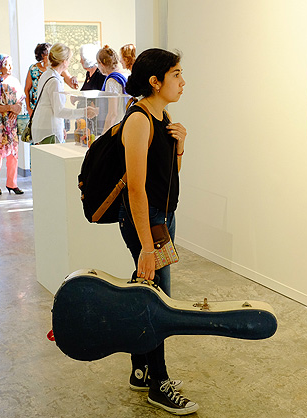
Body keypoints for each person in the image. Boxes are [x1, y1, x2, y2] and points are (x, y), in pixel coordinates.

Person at [117, 48, 196, 415]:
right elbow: (136, 188)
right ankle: (158, 383)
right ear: (155, 81)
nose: (182, 81)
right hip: (146, 221)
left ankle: (141, 368)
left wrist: (179, 146)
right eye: (176, 74)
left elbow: (167, 177)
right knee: (157, 299)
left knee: (146, 293)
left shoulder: (163, 116)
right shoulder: (139, 119)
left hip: (163, 217)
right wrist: (147, 245)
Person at [31, 43, 97, 144]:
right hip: (49, 131)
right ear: (64, 61)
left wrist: (61, 127)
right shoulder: (54, 81)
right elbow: (59, 111)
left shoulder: (47, 75)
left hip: (43, 128)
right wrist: (84, 112)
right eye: (69, 59)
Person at [0, 55, 24, 195]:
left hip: (11, 123)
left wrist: (17, 108)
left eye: (11, 64)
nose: (10, 67)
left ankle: (12, 184)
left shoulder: (14, 81)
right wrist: (9, 108)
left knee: (13, 152)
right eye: (7, 64)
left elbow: (20, 101)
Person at [24, 43, 79, 117]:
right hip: (36, 108)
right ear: (42, 55)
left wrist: (74, 79)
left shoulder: (59, 69)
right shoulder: (33, 69)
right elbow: (27, 89)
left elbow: (71, 83)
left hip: (53, 109)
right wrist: (28, 108)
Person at [97, 45, 127, 133]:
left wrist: (105, 134)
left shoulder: (112, 81)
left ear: (101, 64)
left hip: (116, 126)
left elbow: (112, 113)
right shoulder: (125, 75)